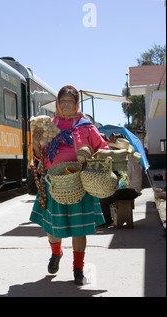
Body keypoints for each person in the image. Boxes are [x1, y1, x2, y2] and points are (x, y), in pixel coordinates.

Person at [30, 85, 109, 285]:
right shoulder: (50, 125)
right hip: (53, 182)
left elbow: (103, 148)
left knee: (79, 229)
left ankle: (78, 269)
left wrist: (91, 155)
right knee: (52, 229)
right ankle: (56, 253)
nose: (65, 105)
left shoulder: (85, 127)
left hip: (79, 183)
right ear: (57, 104)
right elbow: (40, 157)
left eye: (69, 102)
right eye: (62, 101)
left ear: (76, 105)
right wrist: (36, 143)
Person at [99, 137, 142, 225]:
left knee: (103, 199)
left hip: (130, 190)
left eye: (115, 149)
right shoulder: (128, 160)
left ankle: (107, 221)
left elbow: (125, 181)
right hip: (130, 189)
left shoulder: (127, 162)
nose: (113, 150)